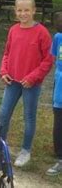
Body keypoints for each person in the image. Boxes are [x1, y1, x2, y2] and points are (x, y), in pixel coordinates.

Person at [0, 0, 53, 167]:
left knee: (29, 117)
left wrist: (33, 77)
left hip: (31, 84)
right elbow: (7, 53)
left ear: (34, 10)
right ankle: (0, 146)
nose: (23, 14)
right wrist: (3, 71)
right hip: (12, 81)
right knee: (3, 116)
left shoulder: (42, 32)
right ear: (15, 11)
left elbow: (48, 60)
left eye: (27, 10)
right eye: (20, 10)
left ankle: (25, 151)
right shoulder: (13, 30)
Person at [47, 13, 62, 175]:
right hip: (60, 85)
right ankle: (60, 156)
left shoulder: (57, 36)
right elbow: (54, 57)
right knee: (59, 118)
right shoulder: (58, 37)